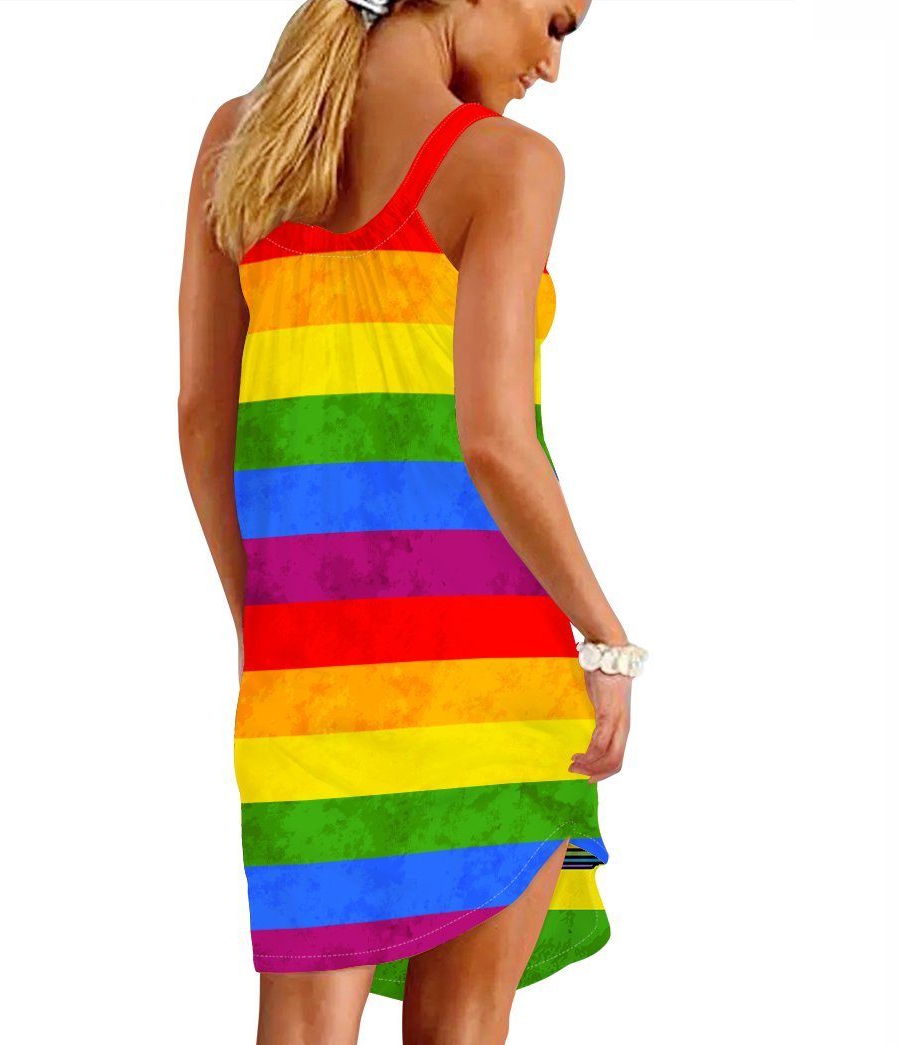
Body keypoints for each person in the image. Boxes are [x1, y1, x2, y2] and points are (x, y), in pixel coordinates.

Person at [178, 2, 646, 1041]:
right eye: (556, 22)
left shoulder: (241, 135)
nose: (551, 65)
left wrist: (268, 632)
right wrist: (607, 639)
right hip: (491, 675)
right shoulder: (508, 164)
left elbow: (204, 417)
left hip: (311, 686)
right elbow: (495, 440)